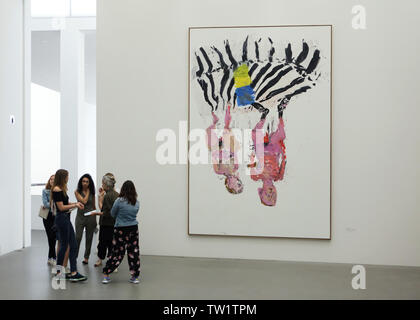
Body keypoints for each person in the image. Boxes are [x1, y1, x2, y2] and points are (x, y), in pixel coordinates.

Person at [249, 100, 288, 206]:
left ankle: (263, 114)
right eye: (274, 195)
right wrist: (282, 150)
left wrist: (253, 154)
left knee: (254, 134)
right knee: (281, 134)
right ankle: (280, 111)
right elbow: (284, 162)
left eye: (267, 195)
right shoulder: (279, 177)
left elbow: (251, 162)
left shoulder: (255, 177)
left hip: (261, 150)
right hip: (274, 150)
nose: (271, 193)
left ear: (262, 191)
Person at [52, 169, 87, 282]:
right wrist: (76, 205)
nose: (68, 178)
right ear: (63, 177)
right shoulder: (57, 189)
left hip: (65, 218)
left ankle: (72, 272)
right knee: (64, 246)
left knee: (73, 245)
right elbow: (61, 207)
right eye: (67, 176)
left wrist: (76, 203)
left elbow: (66, 204)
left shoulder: (62, 189)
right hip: (62, 219)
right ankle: (60, 272)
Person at [102, 180, 141, 284]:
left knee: (117, 252)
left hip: (120, 229)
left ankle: (106, 274)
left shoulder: (119, 201)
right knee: (134, 252)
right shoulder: (136, 202)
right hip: (133, 228)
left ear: (123, 189)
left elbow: (113, 213)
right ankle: (135, 276)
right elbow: (135, 213)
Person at [206, 104, 243, 194]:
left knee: (210, 135)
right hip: (228, 148)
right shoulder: (236, 167)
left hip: (217, 149)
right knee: (227, 130)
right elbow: (234, 154)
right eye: (240, 183)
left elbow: (214, 157)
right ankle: (228, 109)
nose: (238, 182)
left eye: (237, 185)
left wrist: (219, 149)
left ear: (229, 185)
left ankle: (214, 120)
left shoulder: (218, 171)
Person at [95, 173, 119, 267]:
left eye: (103, 183)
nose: (102, 185)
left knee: (103, 242)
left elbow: (104, 211)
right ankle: (111, 261)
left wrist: (100, 200)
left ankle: (102, 260)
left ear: (106, 184)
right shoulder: (116, 194)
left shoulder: (108, 196)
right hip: (114, 223)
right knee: (111, 243)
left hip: (106, 223)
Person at [74, 174, 97, 264]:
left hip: (90, 217)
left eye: (87, 181)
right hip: (80, 217)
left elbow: (94, 205)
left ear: (89, 182)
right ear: (81, 182)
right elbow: (84, 201)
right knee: (78, 237)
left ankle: (86, 257)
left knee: (89, 238)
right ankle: (74, 257)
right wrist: (87, 192)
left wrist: (95, 219)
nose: (85, 183)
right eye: (83, 181)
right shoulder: (77, 192)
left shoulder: (92, 192)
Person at [41, 174, 57, 266]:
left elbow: (50, 204)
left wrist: (51, 203)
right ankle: (53, 257)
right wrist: (54, 202)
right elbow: (46, 204)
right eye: (51, 179)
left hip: (55, 216)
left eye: (54, 179)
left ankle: (50, 257)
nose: (52, 181)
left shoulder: (58, 191)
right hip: (47, 216)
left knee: (54, 236)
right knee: (50, 236)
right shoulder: (45, 191)